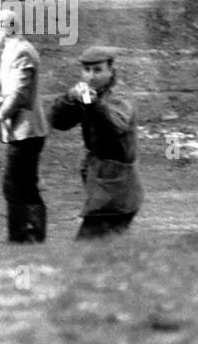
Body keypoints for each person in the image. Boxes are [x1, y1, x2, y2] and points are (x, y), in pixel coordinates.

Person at [47, 46, 143, 239]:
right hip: (101, 186)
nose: (91, 76)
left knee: (86, 249)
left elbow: (114, 126)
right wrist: (69, 99)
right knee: (104, 253)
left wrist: (93, 105)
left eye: (98, 70)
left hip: (117, 192)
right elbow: (59, 122)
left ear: (111, 71)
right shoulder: (90, 93)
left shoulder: (119, 96)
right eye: (87, 70)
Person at [0, 8, 48, 243]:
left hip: (27, 132)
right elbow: (9, 90)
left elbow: (19, 96)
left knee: (16, 187)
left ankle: (22, 239)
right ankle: (30, 237)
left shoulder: (21, 52)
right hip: (20, 131)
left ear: (5, 28)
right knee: (23, 186)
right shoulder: (11, 50)